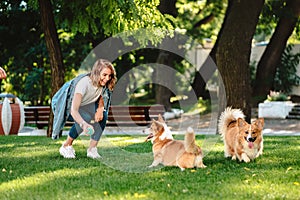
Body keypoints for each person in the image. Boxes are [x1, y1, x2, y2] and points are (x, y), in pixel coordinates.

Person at [52, 59, 117, 159]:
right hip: (64, 107)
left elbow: (101, 96)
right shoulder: (84, 84)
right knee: (85, 117)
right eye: (104, 75)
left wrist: (100, 108)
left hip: (84, 106)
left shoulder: (103, 84)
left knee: (103, 115)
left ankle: (92, 149)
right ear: (96, 72)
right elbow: (74, 110)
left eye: (110, 75)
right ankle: (66, 146)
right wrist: (84, 124)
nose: (107, 78)